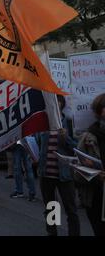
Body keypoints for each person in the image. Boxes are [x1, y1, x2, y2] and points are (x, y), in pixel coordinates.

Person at [37, 95, 80, 236]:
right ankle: (52, 233)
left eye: (56, 102)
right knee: (51, 208)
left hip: (64, 175)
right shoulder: (43, 123)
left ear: (61, 104)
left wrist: (66, 137)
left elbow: (77, 149)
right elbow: (38, 143)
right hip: (46, 173)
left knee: (70, 209)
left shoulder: (69, 122)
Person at [75, 94, 105, 236]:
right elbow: (78, 172)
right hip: (95, 198)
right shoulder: (88, 138)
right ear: (99, 111)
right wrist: (96, 175)